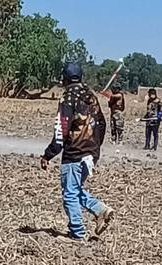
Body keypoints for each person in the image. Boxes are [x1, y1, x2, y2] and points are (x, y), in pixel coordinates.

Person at [41, 63, 114, 241]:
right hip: (91, 153)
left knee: (70, 194)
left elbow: (62, 129)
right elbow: (102, 123)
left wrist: (49, 154)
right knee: (75, 189)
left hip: (74, 153)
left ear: (64, 79)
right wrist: (95, 146)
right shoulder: (91, 96)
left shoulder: (67, 98)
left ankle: (77, 233)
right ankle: (100, 210)